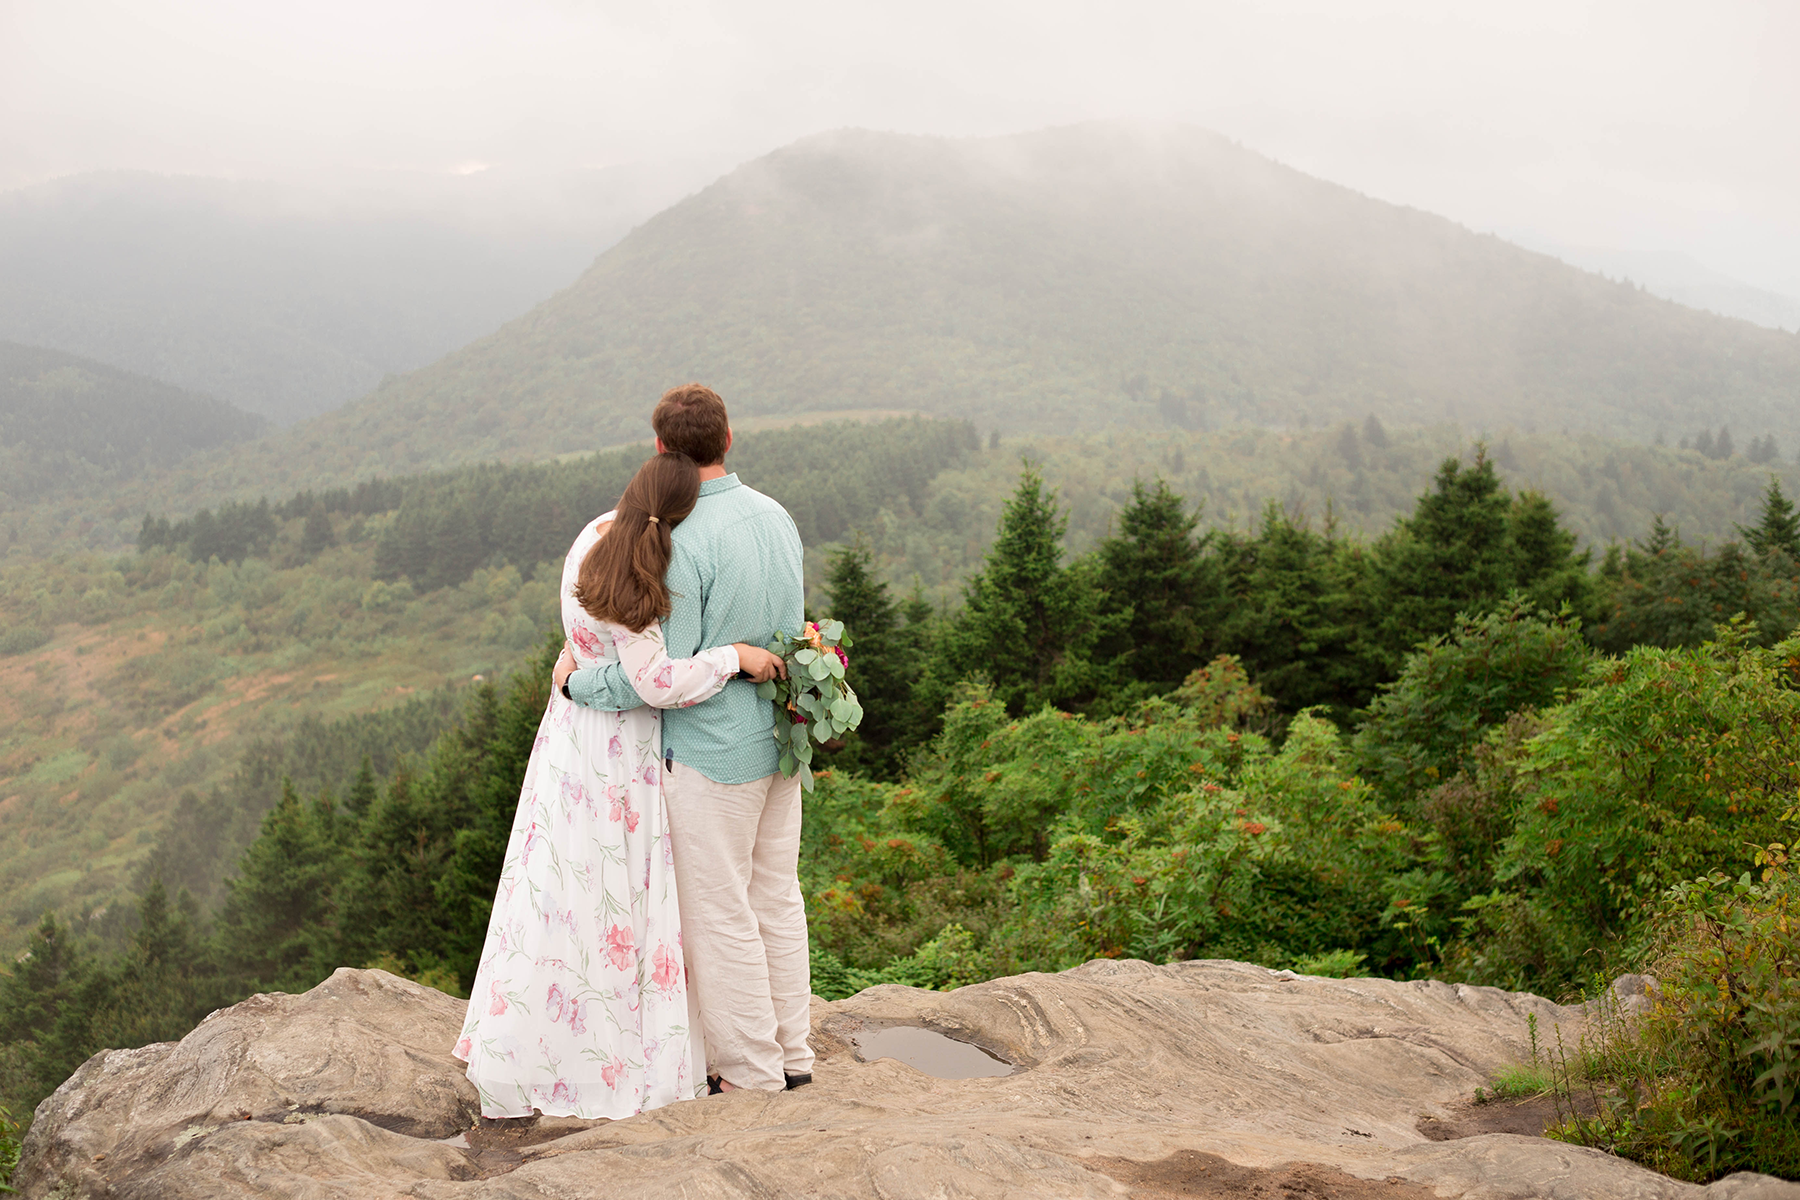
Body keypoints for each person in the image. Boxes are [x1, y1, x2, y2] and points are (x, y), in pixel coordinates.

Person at [452, 451, 786, 1119]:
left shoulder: (593, 534)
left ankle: (537, 1030)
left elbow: (580, 639)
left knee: (561, 891)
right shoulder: (638, 574)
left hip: (569, 742)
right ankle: (607, 1060)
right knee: (619, 901)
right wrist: (734, 658)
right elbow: (656, 682)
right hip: (619, 754)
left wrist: (574, 669)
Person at [555, 383, 811, 1094]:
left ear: (662, 451)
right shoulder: (777, 518)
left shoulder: (676, 539)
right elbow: (790, 635)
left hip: (710, 753)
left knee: (722, 916)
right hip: (780, 742)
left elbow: (661, 678)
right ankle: (796, 1056)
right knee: (778, 900)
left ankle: (753, 1075)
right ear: (728, 441)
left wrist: (580, 683)